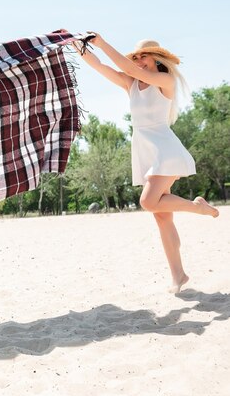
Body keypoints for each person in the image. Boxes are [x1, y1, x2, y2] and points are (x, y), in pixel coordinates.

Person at [75, 34, 219, 293]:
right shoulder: (131, 83)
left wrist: (103, 42)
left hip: (166, 150)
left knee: (148, 202)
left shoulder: (165, 81)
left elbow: (127, 67)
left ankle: (198, 207)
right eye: (137, 56)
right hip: (147, 151)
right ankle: (179, 276)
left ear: (156, 57)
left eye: (144, 55)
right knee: (162, 218)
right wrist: (77, 45)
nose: (139, 60)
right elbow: (100, 67)